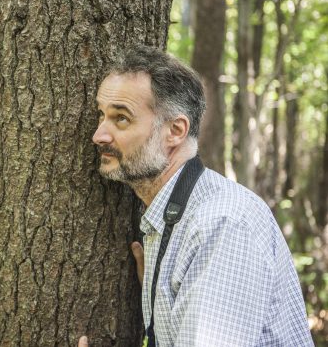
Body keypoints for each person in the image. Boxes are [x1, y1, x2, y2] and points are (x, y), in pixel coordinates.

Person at [78, 46, 313, 346]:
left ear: (175, 131)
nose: (99, 134)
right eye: (101, 115)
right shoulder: (170, 218)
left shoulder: (223, 225)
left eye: (121, 118)